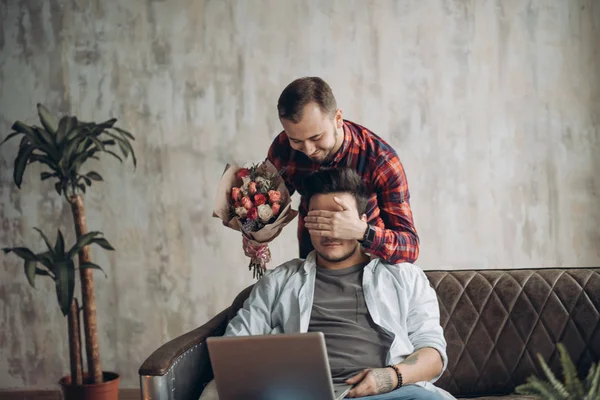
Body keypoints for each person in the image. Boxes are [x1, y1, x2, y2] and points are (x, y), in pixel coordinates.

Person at [200, 168, 453, 400]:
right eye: (320, 220)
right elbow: (233, 348)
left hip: (387, 395)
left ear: (362, 222)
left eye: (339, 220)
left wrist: (390, 377)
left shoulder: (404, 277)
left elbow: (433, 355)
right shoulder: (280, 281)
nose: (330, 231)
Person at [267, 77, 419, 265]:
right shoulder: (283, 148)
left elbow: (410, 247)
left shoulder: (380, 160)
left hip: (370, 267)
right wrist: (254, 235)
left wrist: (362, 231)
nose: (308, 150)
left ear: (338, 119)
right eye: (296, 141)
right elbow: (267, 205)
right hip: (312, 263)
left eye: (316, 137)